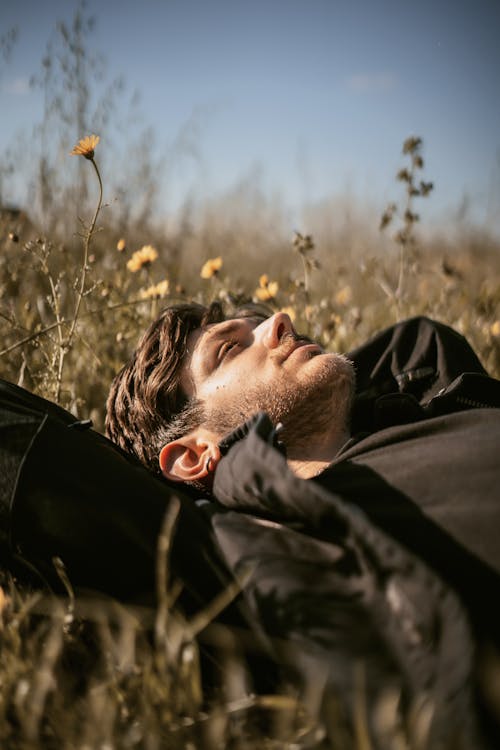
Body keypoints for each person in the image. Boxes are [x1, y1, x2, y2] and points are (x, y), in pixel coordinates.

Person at [106, 302, 500, 747]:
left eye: (262, 323)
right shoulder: (272, 546)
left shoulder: (432, 404)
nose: (281, 321)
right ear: (195, 456)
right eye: (230, 349)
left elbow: (417, 339)